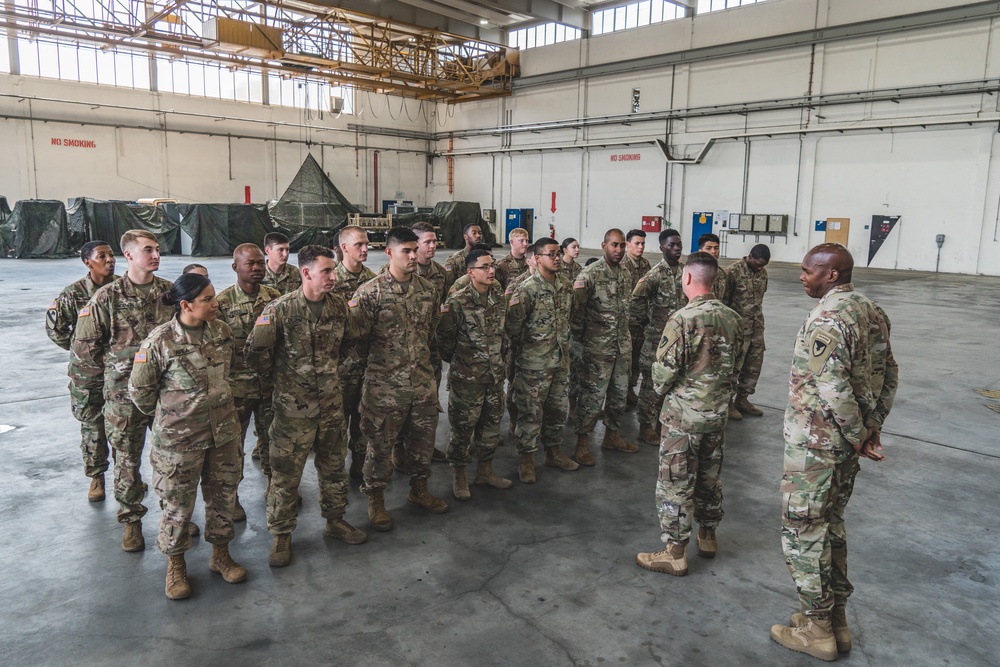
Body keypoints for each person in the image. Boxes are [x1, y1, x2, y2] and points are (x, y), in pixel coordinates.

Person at [770, 244, 894, 662]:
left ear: (832, 275)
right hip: (844, 447)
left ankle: (818, 630)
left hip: (816, 446)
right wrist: (872, 428)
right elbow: (888, 372)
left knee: (803, 531)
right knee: (831, 527)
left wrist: (860, 434)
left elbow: (832, 386)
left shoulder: (828, 316)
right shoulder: (872, 310)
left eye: (809, 271)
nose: (802, 276)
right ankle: (834, 620)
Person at [247, 245, 367, 568]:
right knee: (285, 476)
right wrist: (283, 386)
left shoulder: (339, 307)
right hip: (292, 413)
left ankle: (335, 520)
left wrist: (328, 375)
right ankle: (282, 535)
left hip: (330, 406)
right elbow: (256, 354)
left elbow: (349, 344)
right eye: (326, 271)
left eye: (333, 270)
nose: (332, 276)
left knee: (333, 469)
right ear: (306, 273)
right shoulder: (280, 310)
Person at [128, 273, 246, 600]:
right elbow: (140, 392)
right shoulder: (159, 342)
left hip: (223, 433)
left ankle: (220, 555)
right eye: (207, 299)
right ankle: (176, 564)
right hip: (179, 443)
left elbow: (229, 373)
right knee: (177, 506)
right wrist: (173, 418)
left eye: (213, 297)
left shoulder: (221, 332)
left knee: (222, 497)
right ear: (185, 305)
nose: (215, 303)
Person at [636, 251, 743, 576]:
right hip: (716, 415)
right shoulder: (732, 318)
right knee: (709, 478)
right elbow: (735, 367)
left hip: (684, 419)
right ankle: (708, 535)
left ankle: (675, 551)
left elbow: (663, 375)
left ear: (686, 278)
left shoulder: (682, 319)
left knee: (675, 483)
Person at [70, 230, 176, 552]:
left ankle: (174, 518)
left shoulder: (170, 293)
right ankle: (131, 521)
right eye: (148, 250)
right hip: (123, 397)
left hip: (164, 395)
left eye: (157, 249)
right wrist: (96, 393)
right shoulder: (106, 298)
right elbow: (85, 351)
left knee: (171, 461)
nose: (156, 255)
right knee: (127, 461)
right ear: (129, 255)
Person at [349, 227, 449, 531]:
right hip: (384, 386)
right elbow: (357, 342)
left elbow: (429, 333)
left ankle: (419, 490)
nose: (412, 255)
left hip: (420, 383)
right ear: (389, 252)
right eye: (405, 250)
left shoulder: (427, 290)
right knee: (379, 446)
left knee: (422, 442)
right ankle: (376, 500)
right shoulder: (369, 292)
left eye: (413, 249)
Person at [437, 249, 513, 499]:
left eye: (492, 266)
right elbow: (445, 343)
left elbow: (504, 334)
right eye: (484, 267)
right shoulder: (457, 303)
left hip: (493, 378)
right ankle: (459, 475)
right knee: (462, 429)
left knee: (491, 428)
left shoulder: (499, 299)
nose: (491, 271)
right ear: (470, 272)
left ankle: (485, 471)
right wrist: (466, 363)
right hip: (467, 380)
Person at [505, 237, 580, 483]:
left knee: (557, 410)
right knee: (530, 412)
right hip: (533, 364)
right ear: (537, 259)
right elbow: (513, 328)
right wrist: (528, 353)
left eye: (559, 253)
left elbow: (569, 317)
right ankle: (527, 460)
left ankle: (553, 452)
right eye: (551, 254)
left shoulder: (566, 286)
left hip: (560, 361)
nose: (557, 258)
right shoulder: (526, 289)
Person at [47, 240, 117, 501]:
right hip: (87, 375)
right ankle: (96, 476)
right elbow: (54, 328)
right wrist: (82, 350)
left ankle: (126, 477)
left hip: (119, 372)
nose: (110, 260)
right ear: (88, 262)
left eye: (111, 255)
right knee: (93, 426)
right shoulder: (73, 294)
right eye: (102, 256)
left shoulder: (121, 289)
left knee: (123, 428)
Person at [215, 244, 281, 520]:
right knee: (232, 448)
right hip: (237, 390)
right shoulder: (222, 303)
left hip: (269, 387)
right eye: (249, 264)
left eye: (259, 263)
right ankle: (231, 499)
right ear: (235, 268)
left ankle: (275, 489)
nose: (256, 268)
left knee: (273, 441)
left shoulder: (275, 298)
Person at [571, 228, 638, 464]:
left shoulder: (626, 274)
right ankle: (581, 443)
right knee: (591, 398)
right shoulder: (589, 275)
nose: (618, 250)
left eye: (621, 246)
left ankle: (611, 436)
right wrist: (584, 345)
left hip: (621, 347)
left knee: (619, 396)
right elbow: (575, 314)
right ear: (604, 246)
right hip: (596, 350)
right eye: (614, 245)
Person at [630, 229, 685, 445]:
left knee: (672, 383)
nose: (677, 248)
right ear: (662, 248)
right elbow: (635, 304)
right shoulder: (653, 276)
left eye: (679, 244)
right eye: (672, 245)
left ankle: (663, 423)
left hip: (678, 341)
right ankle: (645, 426)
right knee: (652, 385)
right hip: (656, 341)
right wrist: (648, 325)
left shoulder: (685, 273)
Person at [332, 225, 377, 479]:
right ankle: (334, 473)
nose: (365, 248)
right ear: (345, 247)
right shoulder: (330, 281)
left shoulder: (374, 281)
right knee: (336, 426)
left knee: (364, 422)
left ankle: (359, 466)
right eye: (359, 244)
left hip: (367, 368)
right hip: (338, 370)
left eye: (367, 244)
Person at [726, 243, 770, 420]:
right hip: (737, 329)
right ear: (750, 256)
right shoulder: (732, 272)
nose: (760, 268)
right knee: (733, 367)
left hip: (756, 328)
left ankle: (742, 399)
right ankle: (727, 402)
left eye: (763, 265)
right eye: (758, 263)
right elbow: (724, 301)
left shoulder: (762, 273)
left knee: (753, 366)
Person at [622, 229, 651, 408]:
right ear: (628, 245)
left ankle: (630, 389)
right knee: (625, 359)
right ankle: (621, 392)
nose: (640, 247)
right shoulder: (622, 264)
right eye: (637, 243)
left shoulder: (645, 264)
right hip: (626, 321)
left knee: (637, 358)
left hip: (641, 321)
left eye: (643, 244)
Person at [443, 222, 483, 292]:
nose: (478, 235)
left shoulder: (485, 257)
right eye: (474, 233)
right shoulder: (454, 260)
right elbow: (448, 286)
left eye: (480, 233)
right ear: (465, 236)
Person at [698, 233, 730, 303]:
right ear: (700, 251)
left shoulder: (723, 274)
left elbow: (726, 299)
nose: (713, 251)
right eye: (708, 248)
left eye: (716, 248)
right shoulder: (694, 273)